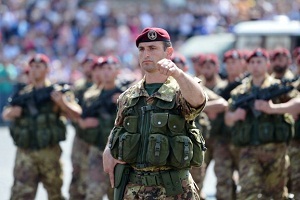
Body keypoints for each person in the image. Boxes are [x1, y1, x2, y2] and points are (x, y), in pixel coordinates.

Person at [103, 27, 207, 199]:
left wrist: (178, 74)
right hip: (135, 189)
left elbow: (198, 102)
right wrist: (108, 149)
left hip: (174, 190)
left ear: (169, 52)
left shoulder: (181, 89)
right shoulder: (128, 96)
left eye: (152, 48)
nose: (146, 54)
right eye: (142, 49)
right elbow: (118, 128)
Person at [1, 53, 82, 200]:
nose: (33, 70)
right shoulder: (22, 93)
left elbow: (77, 114)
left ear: (47, 69)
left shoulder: (57, 91)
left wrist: (62, 103)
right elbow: (5, 113)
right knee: (20, 195)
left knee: (54, 194)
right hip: (25, 154)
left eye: (38, 66)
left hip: (49, 152)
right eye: (31, 66)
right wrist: (12, 112)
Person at [225, 48, 298, 199]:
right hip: (248, 152)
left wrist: (273, 109)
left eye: (260, 62)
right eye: (252, 62)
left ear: (267, 64)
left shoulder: (277, 87)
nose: (256, 65)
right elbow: (228, 118)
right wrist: (236, 115)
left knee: (277, 194)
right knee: (247, 192)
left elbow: (298, 104)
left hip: (276, 150)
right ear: (248, 66)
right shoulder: (240, 92)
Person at [69, 54, 96, 200]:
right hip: (81, 137)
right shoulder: (78, 87)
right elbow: (70, 110)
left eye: (92, 65)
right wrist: (79, 122)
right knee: (78, 172)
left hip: (99, 137)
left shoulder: (104, 85)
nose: (89, 68)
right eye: (87, 64)